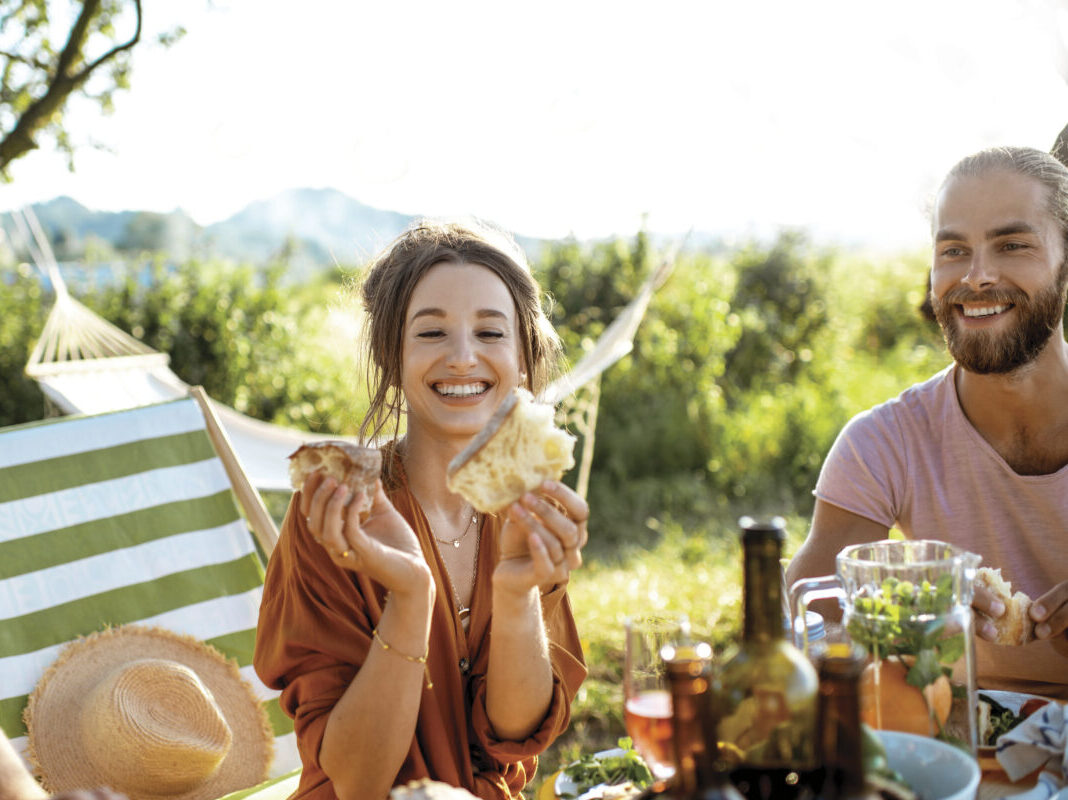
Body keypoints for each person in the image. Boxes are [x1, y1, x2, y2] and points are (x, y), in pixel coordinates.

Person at [254, 220, 589, 800]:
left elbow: (515, 736)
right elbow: (357, 780)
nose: (463, 359)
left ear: (524, 358)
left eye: (490, 332)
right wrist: (411, 595)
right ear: (392, 356)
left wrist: (516, 595)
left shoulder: (529, 505)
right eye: (432, 333)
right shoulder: (335, 515)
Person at [786, 145, 1068, 699]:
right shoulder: (883, 445)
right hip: (951, 756)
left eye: (1012, 246)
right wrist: (903, 613)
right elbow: (793, 634)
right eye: (954, 250)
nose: (978, 276)